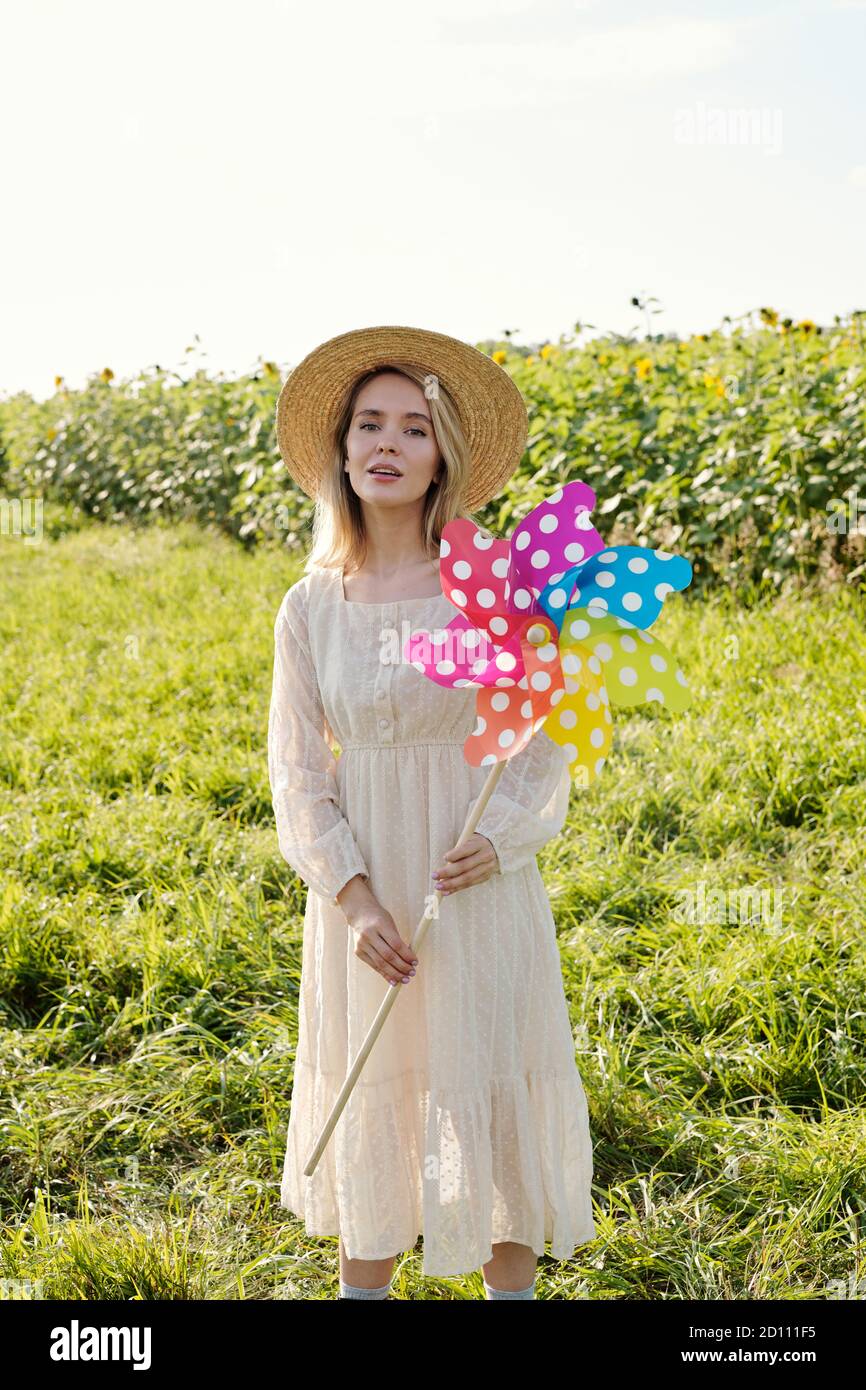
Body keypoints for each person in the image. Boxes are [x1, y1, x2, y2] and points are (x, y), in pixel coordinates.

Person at [268, 325, 596, 1300]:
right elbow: (296, 771)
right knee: (374, 1093)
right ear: (339, 449)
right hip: (370, 897)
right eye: (368, 423)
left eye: (413, 427)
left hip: (474, 880)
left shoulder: (493, 591)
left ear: (442, 453)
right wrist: (355, 900)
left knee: (489, 1096)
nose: (387, 442)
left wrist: (498, 837)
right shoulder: (310, 605)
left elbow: (539, 745)